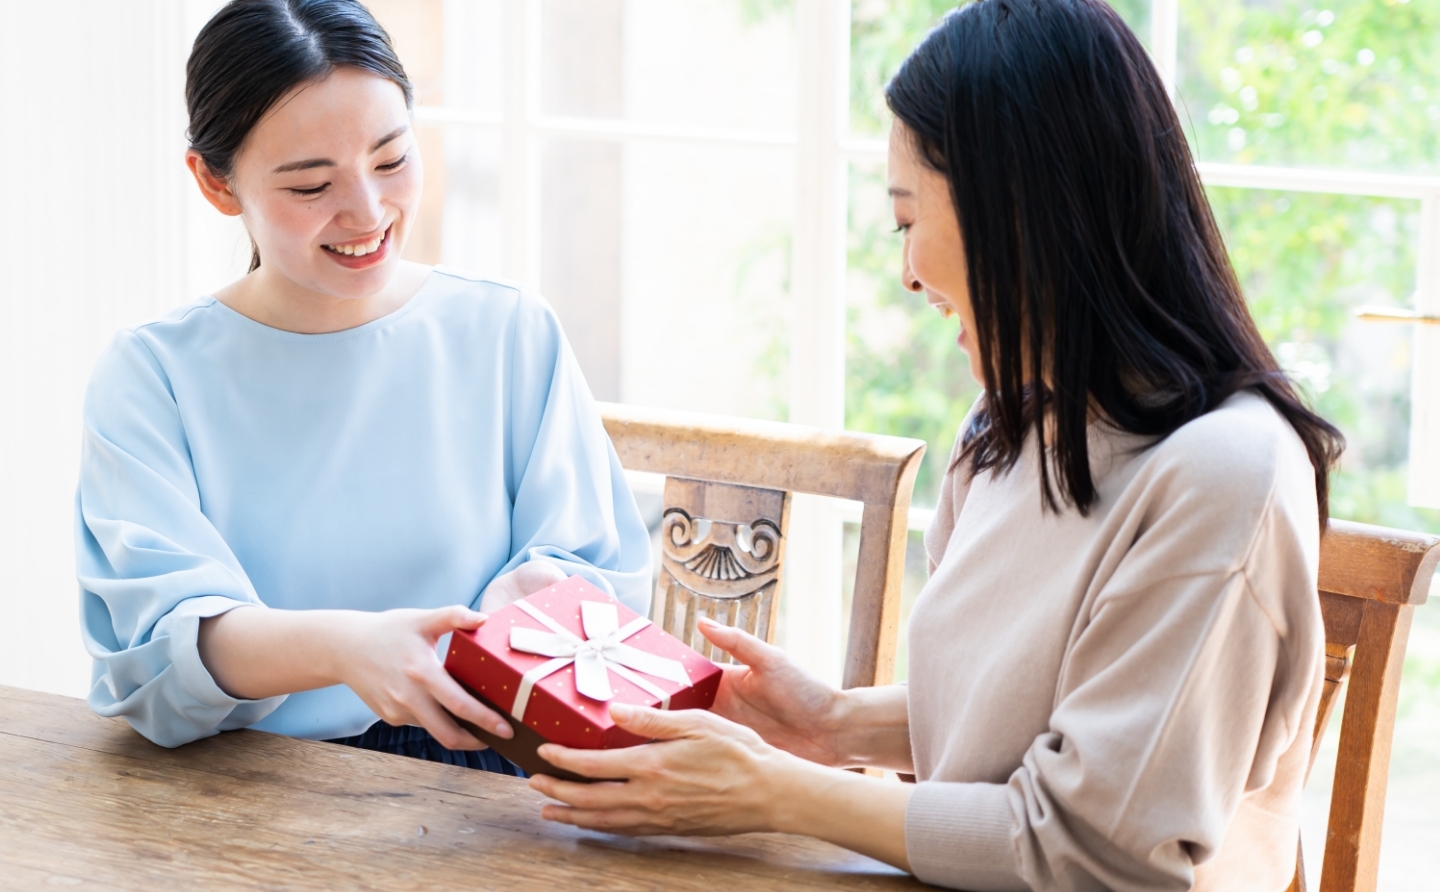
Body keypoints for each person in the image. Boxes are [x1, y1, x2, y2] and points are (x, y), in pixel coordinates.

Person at [526, 1, 1343, 889]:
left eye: (908, 218)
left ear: (1021, 210)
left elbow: (1092, 849)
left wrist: (775, 793)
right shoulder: (1010, 428)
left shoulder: (1227, 474)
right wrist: (835, 722)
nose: (907, 271)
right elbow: (1035, 725)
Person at [75, 0, 650, 775]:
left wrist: (530, 598)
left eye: (390, 160)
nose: (368, 212)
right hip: (248, 780)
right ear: (215, 183)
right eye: (311, 185)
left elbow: (594, 571)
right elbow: (160, 649)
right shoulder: (154, 374)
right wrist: (347, 649)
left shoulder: (509, 330)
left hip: (486, 775)